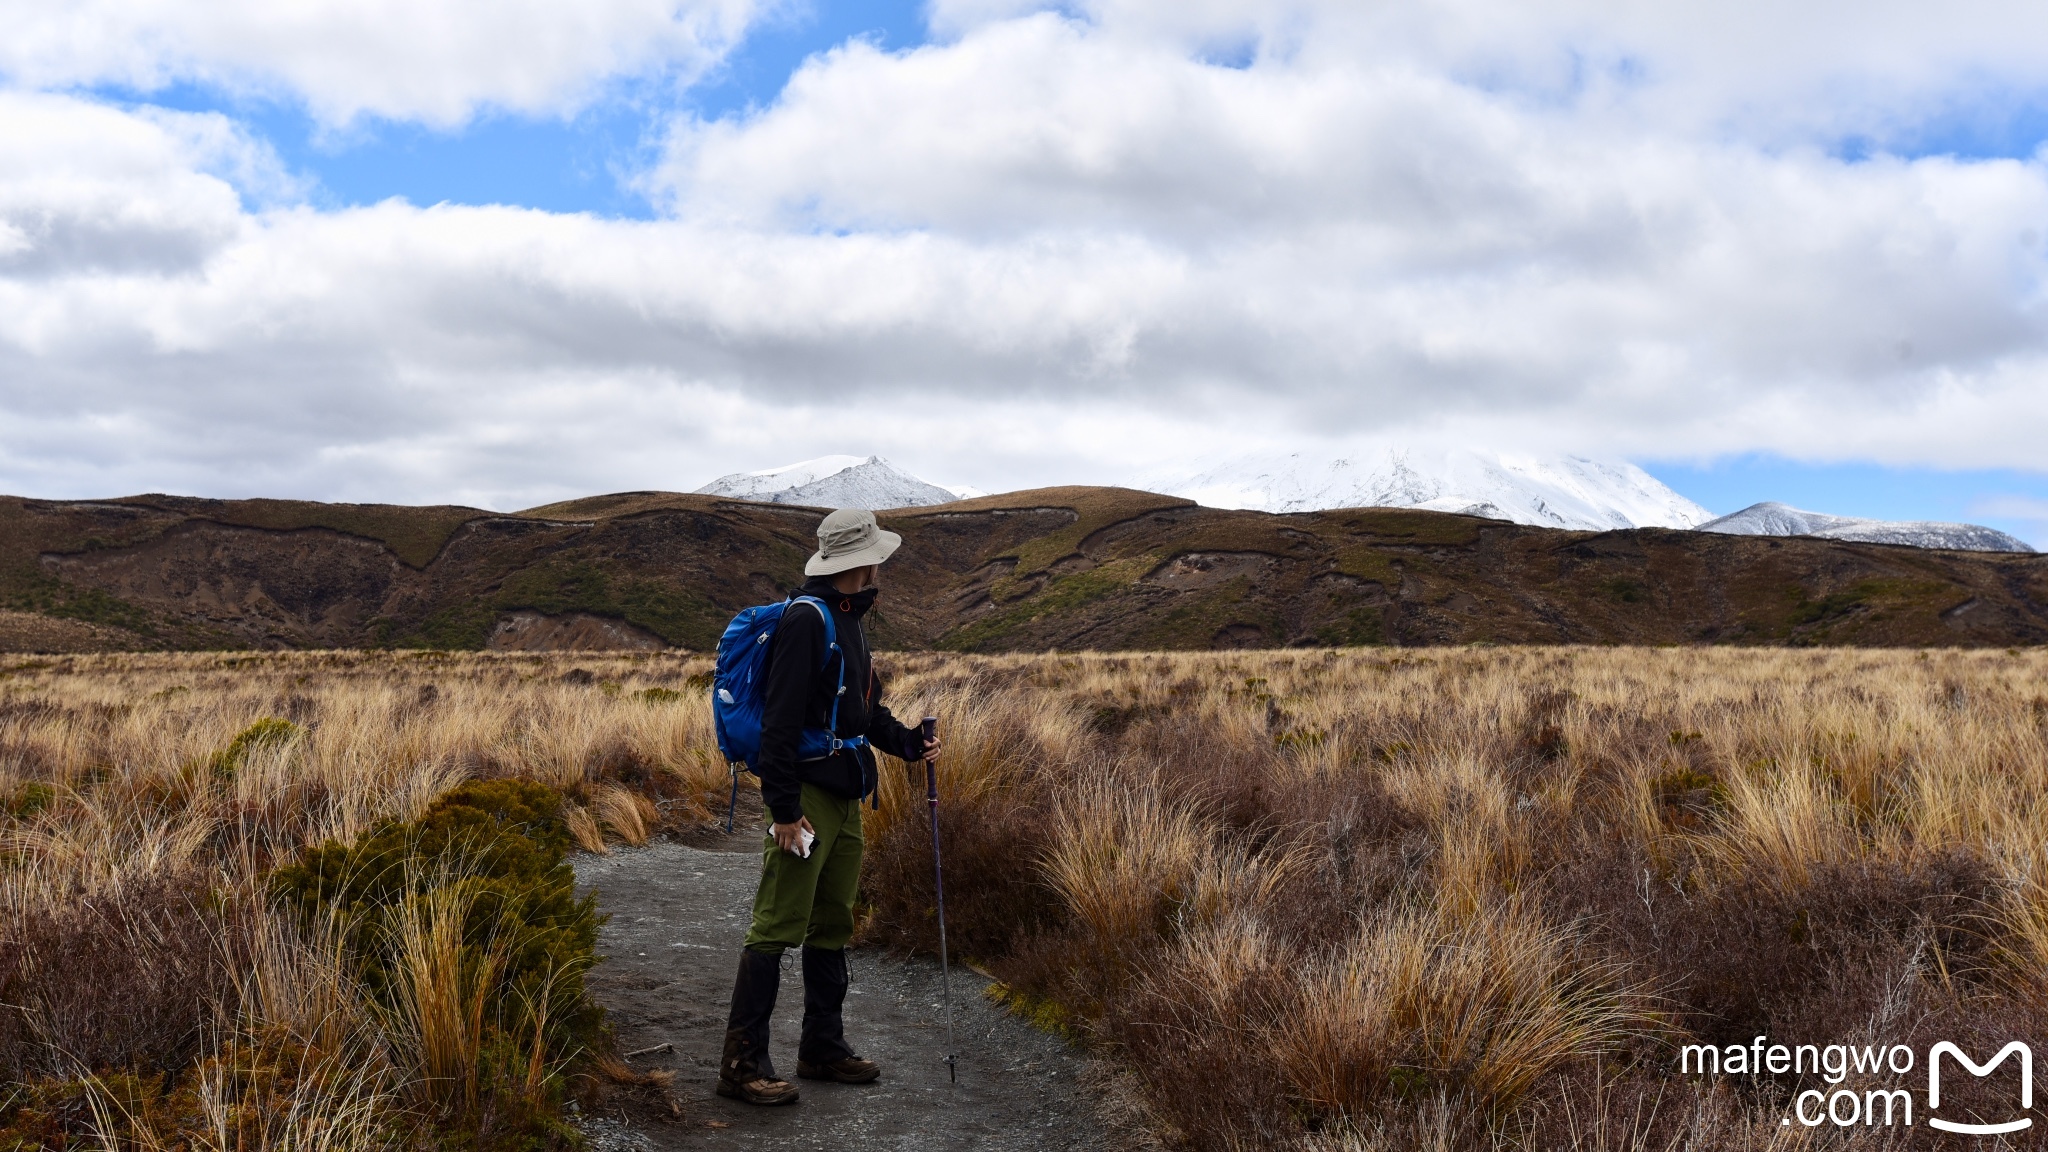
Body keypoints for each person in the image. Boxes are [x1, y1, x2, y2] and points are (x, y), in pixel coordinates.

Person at [717, 507, 942, 1106]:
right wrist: (784, 812)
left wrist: (908, 745)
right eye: (877, 557)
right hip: (810, 797)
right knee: (777, 922)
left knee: (833, 921)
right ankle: (741, 1065)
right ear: (861, 561)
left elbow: (863, 714)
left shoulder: (850, 620)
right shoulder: (807, 621)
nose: (880, 567)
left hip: (845, 794)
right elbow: (781, 727)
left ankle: (821, 1047)